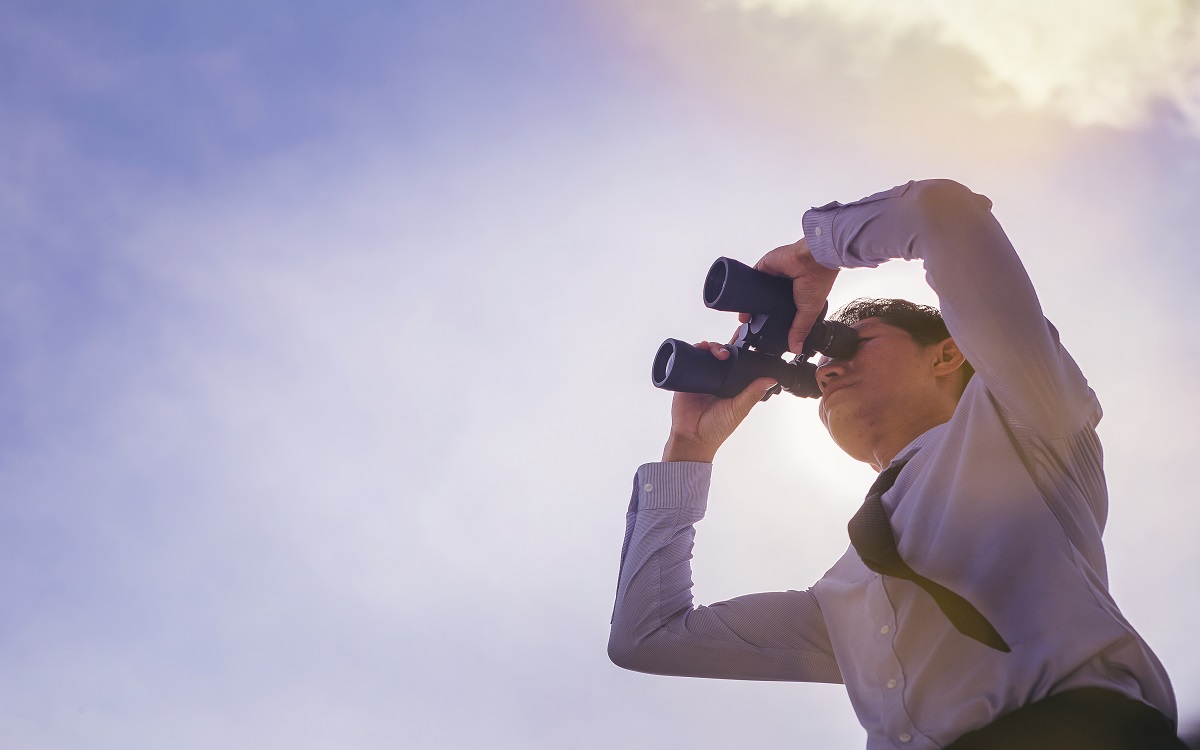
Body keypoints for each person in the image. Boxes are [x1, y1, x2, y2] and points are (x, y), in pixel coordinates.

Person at [608, 179, 1185, 748]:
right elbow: (648, 637)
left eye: (850, 343)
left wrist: (816, 252)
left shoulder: (1025, 416)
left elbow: (944, 212)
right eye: (821, 365)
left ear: (947, 352)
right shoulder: (846, 598)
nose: (827, 369)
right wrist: (689, 447)